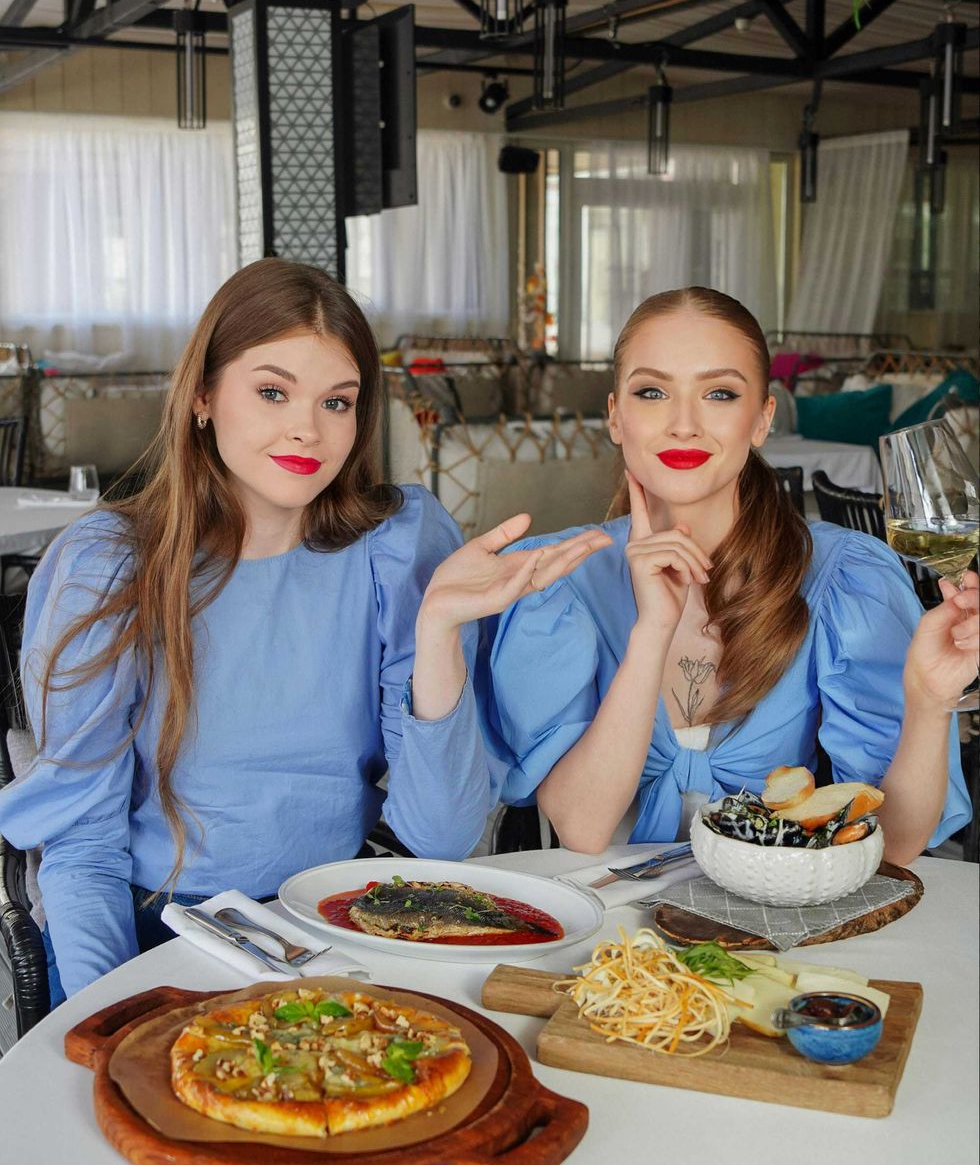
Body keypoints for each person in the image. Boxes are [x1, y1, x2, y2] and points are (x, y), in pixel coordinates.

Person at [0, 259, 608, 1002]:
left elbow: (441, 838)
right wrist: (115, 1016)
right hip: (156, 931)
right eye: (272, 391)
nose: (307, 429)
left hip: (341, 921)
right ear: (202, 396)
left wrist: (439, 630)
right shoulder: (109, 566)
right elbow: (85, 851)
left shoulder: (398, 547)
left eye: (337, 402)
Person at [488, 287, 976, 864]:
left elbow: (893, 843)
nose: (684, 425)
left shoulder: (847, 577)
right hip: (605, 918)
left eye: (719, 393)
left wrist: (928, 702)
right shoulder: (557, 581)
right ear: (616, 416)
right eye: (652, 392)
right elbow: (582, 827)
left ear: (762, 419)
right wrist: (652, 631)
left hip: (779, 915)